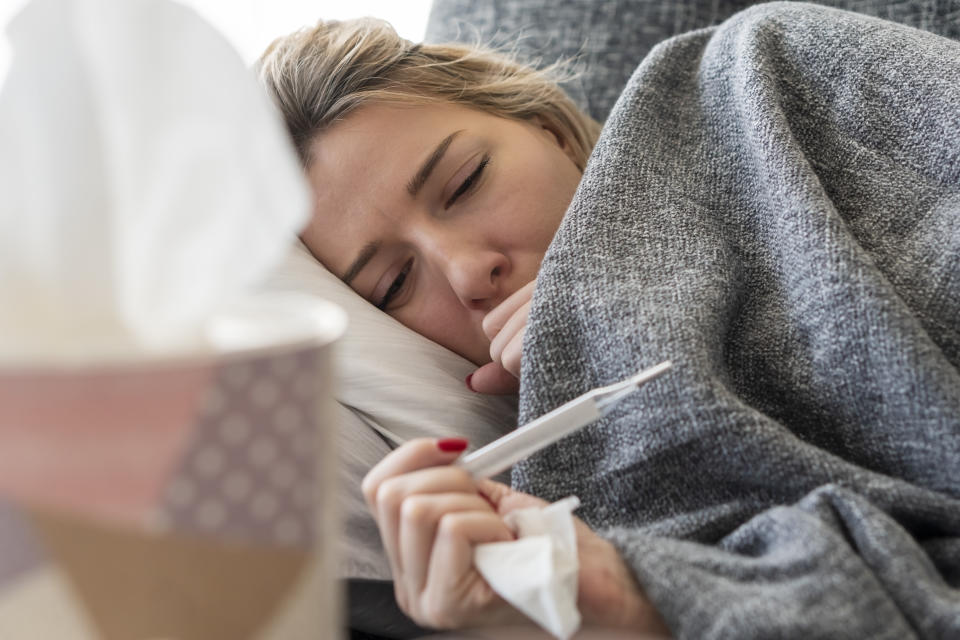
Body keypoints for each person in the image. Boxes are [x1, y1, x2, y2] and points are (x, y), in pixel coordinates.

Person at [258, 6, 960, 638]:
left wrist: (627, 299)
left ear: (550, 129)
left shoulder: (758, 75)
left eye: (466, 183)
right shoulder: (555, 531)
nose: (469, 273)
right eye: (396, 283)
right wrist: (625, 601)